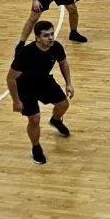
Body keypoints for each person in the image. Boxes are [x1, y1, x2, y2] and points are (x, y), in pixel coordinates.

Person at [6, 20, 74, 165]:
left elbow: (63, 63)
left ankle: (56, 120)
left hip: (44, 81)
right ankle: (36, 147)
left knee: (64, 105)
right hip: (25, 87)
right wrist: (16, 101)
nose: (50, 38)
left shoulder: (56, 47)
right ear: (37, 38)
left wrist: (69, 83)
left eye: (52, 34)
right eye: (46, 35)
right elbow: (11, 78)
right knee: (34, 119)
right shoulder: (26, 53)